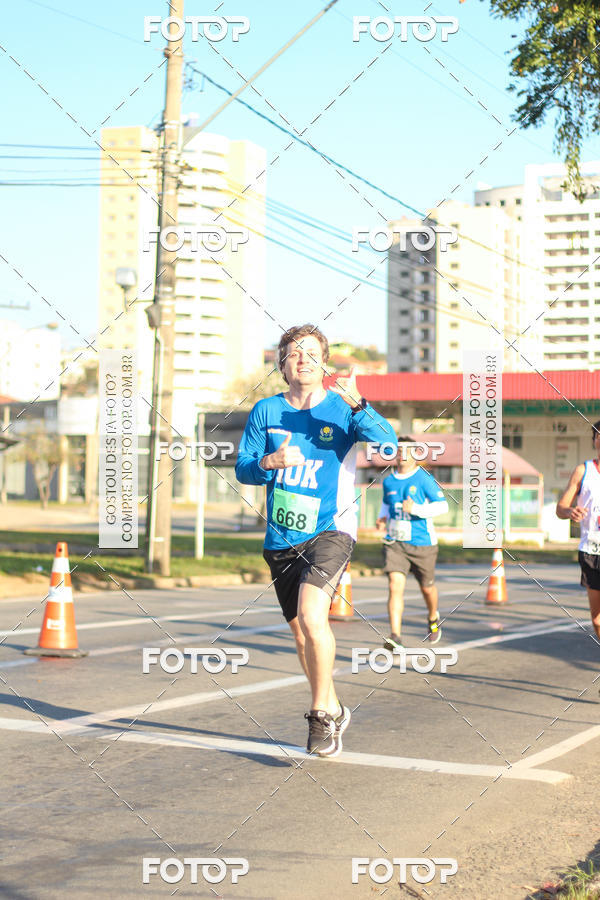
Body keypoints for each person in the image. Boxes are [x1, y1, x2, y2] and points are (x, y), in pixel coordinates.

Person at [235, 324, 396, 757]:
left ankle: (319, 715)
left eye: (311, 352)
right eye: (293, 353)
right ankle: (335, 706)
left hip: (331, 530)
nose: (302, 359)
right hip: (281, 538)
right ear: (282, 365)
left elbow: (387, 446)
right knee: (302, 635)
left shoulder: (343, 409)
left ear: (324, 363)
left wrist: (360, 405)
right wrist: (268, 462)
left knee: (312, 615)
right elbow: (243, 467)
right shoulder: (266, 411)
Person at [376, 437, 449, 650]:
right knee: (394, 585)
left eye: (407, 450)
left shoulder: (424, 478)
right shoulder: (389, 481)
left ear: (416, 453)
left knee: (427, 588)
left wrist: (416, 509)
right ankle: (395, 636)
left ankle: (433, 616)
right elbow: (386, 504)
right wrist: (381, 518)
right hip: (395, 542)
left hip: (422, 542)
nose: (402, 454)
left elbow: (442, 506)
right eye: (399, 450)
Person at [556, 419, 600, 640]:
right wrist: (570, 511)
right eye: (599, 436)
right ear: (594, 441)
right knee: (597, 620)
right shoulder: (583, 471)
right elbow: (560, 508)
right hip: (591, 551)